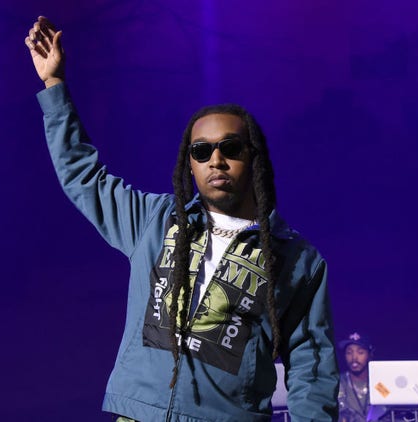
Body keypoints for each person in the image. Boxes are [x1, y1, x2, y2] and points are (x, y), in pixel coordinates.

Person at [24, 16, 339, 421]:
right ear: (190, 164)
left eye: (230, 147)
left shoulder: (296, 259)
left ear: (254, 157)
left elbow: (312, 368)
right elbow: (84, 177)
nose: (216, 160)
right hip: (139, 414)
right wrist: (54, 86)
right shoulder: (154, 221)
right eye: (202, 151)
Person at [337, 332, 374, 422]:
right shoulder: (338, 382)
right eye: (349, 353)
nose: (354, 358)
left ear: (370, 354)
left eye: (360, 352)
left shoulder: (378, 382)